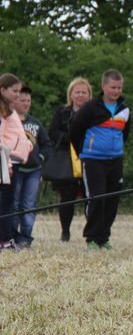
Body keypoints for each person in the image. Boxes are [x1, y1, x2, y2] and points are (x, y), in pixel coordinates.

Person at [69, 69, 131, 250]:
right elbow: (75, 130)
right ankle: (92, 238)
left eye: (119, 88)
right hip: (93, 160)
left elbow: (125, 133)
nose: (116, 91)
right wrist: (85, 150)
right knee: (96, 198)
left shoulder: (124, 109)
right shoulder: (90, 107)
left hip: (115, 159)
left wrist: (115, 148)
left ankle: (104, 237)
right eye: (112, 87)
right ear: (103, 86)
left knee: (112, 199)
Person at [48, 77, 91, 242]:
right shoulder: (61, 112)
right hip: (67, 160)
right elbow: (53, 132)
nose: (80, 95)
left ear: (89, 94)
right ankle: (65, 231)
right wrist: (70, 138)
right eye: (77, 92)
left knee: (91, 196)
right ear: (71, 94)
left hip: (90, 157)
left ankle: (92, 233)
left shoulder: (95, 112)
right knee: (67, 197)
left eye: (84, 92)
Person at [12, 85, 52, 248]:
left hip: (34, 171)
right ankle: (12, 237)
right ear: (14, 101)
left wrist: (40, 157)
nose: (26, 103)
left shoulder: (35, 123)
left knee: (28, 205)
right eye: (22, 100)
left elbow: (46, 144)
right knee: (13, 204)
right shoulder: (9, 122)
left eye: (28, 100)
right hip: (15, 169)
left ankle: (26, 238)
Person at [0, 73, 34, 252]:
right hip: (6, 163)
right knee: (6, 203)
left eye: (19, 91)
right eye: (14, 91)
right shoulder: (2, 110)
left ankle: (6, 239)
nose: (17, 94)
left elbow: (15, 134)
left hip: (13, 161)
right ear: (2, 90)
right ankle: (5, 240)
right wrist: (7, 165)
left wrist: (26, 144)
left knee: (8, 202)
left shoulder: (9, 109)